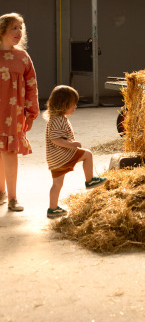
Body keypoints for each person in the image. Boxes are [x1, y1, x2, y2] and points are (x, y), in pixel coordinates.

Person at [44, 84, 106, 219]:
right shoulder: (58, 120)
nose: (75, 107)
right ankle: (90, 180)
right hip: (63, 155)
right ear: (63, 104)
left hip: (55, 159)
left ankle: (52, 209)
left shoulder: (55, 119)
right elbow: (55, 139)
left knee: (57, 184)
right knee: (87, 155)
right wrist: (72, 145)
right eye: (73, 104)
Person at [0, 12, 39, 212]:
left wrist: (31, 112)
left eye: (20, 28)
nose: (19, 32)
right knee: (1, 151)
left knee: (11, 150)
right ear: (2, 31)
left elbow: (32, 85)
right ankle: (1, 192)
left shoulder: (22, 57)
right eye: (14, 27)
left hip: (13, 114)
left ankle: (13, 197)